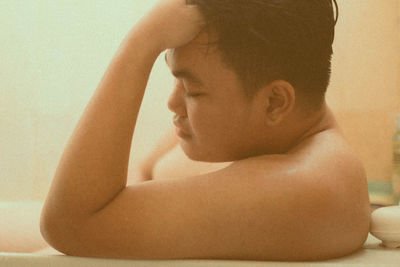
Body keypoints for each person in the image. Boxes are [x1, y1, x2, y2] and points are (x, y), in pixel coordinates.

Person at [40, 0, 371, 261]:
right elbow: (139, 170)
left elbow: (72, 224)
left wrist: (143, 40)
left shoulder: (312, 187)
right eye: (176, 81)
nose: (172, 103)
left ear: (274, 102)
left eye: (192, 91)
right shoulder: (236, 133)